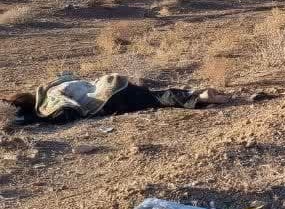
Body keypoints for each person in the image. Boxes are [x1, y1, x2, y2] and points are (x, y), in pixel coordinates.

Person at [3, 73, 225, 125]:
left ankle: (201, 97)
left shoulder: (48, 99)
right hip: (112, 82)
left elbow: (64, 113)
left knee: (154, 99)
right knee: (153, 96)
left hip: (108, 98)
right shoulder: (56, 83)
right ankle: (196, 95)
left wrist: (39, 119)